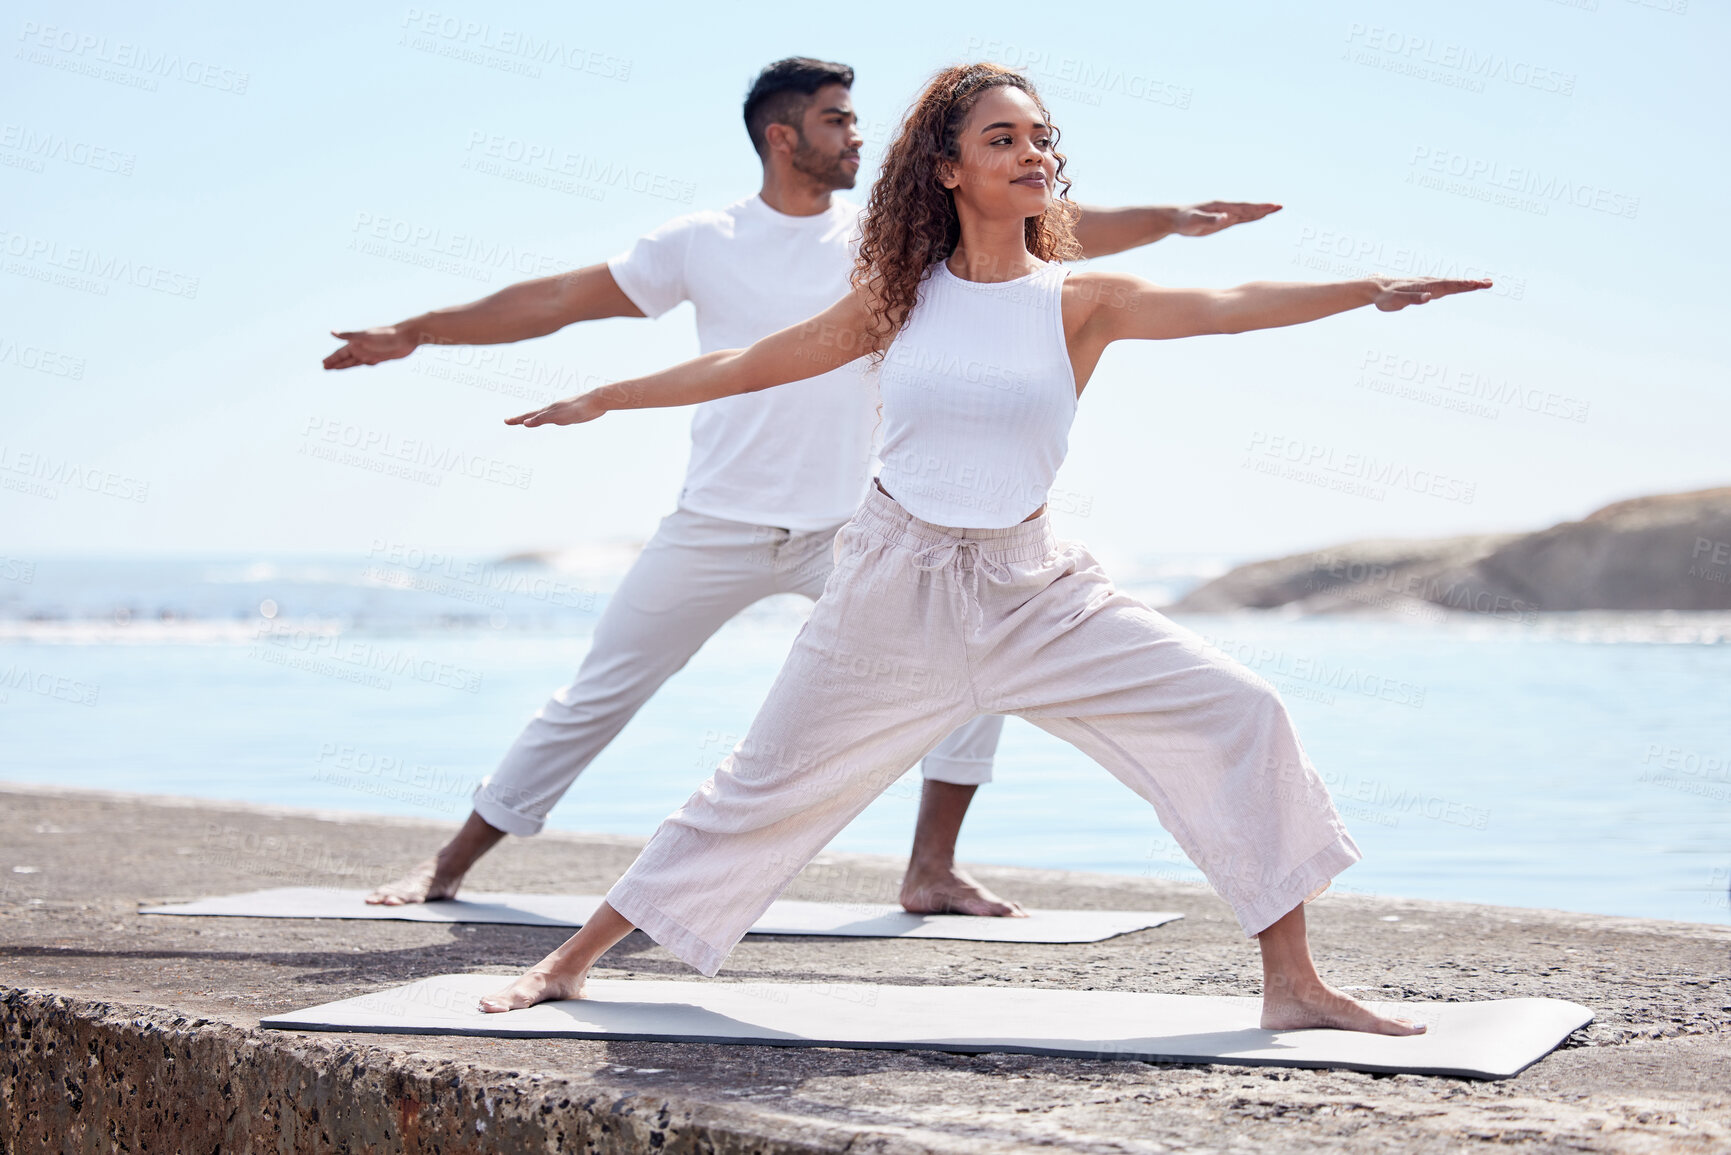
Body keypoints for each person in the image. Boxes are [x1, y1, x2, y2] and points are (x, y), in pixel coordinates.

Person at [473, 61, 1490, 1033]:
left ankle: (1293, 983)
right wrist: (609, 395)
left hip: (1033, 589)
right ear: (949, 169)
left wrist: (1366, 289)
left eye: (1042, 138)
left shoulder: (1082, 301)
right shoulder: (899, 298)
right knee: (760, 783)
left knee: (1242, 712)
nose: (1032, 152)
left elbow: (1229, 310)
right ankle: (566, 963)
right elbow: (753, 364)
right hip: (892, 587)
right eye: (1002, 138)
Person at [323, 56, 1282, 917]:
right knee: (598, 693)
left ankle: (930, 869)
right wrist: (419, 329)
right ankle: (450, 863)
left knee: (979, 663)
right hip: (717, 521)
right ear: (782, 135)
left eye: (858, 119)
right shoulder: (700, 240)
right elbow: (558, 299)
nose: (857, 134)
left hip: (856, 532)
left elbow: (1050, 223)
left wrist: (1170, 221)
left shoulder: (889, 240)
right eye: (836, 120)